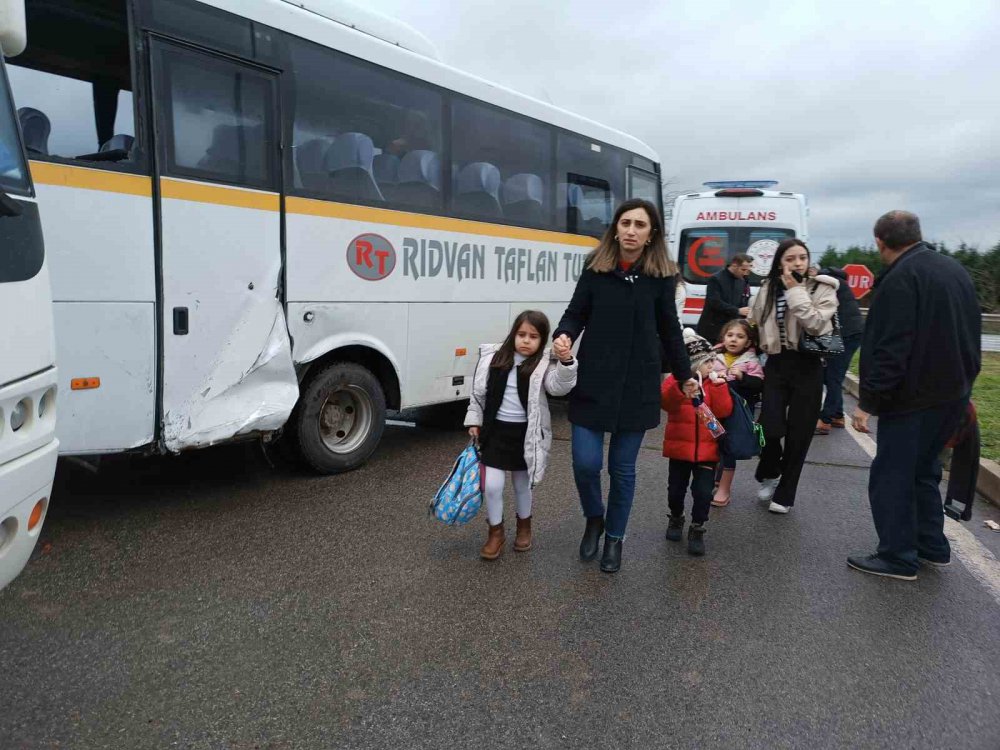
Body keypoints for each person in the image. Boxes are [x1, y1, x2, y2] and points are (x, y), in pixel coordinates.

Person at [553, 198, 698, 574]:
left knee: (621, 469)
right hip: (594, 382)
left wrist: (685, 375)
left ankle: (615, 538)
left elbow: (669, 330)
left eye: (640, 225)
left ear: (651, 235)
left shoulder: (661, 278)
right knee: (585, 464)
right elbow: (575, 312)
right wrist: (564, 335)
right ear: (615, 228)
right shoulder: (596, 269)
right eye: (626, 223)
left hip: (637, 386)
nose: (631, 230)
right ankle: (594, 519)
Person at [847, 211, 981, 580]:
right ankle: (932, 546)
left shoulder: (901, 279)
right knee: (924, 472)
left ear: (880, 241)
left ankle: (897, 556)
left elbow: (893, 347)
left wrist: (868, 403)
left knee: (892, 476)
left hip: (913, 399)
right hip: (952, 394)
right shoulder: (952, 270)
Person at [465, 310, 578, 560]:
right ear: (513, 334)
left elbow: (558, 387)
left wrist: (567, 362)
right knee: (492, 486)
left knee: (521, 486)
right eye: (521, 334)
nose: (526, 340)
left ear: (542, 340)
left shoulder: (543, 364)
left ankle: (524, 527)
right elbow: (478, 393)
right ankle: (495, 532)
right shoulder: (493, 358)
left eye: (534, 336)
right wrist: (474, 419)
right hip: (495, 433)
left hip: (525, 436)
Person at [748, 238, 839, 513]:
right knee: (768, 427)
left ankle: (785, 494)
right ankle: (770, 470)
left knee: (800, 434)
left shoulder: (824, 288)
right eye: (790, 258)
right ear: (779, 263)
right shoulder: (768, 287)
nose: (798, 262)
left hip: (808, 364)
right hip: (776, 362)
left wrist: (797, 291)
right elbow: (756, 320)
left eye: (802, 257)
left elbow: (815, 324)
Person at [661, 329, 733, 555]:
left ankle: (698, 526)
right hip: (679, 449)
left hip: (708, 451)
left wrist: (720, 387)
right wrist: (680, 386)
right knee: (675, 490)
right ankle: (676, 516)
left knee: (703, 492)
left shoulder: (714, 384)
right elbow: (666, 403)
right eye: (706, 361)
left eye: (713, 360)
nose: (712, 365)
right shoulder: (674, 380)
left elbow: (724, 410)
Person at [707, 319, 765, 507]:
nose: (734, 340)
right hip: (714, 410)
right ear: (723, 338)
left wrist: (742, 377)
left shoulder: (751, 361)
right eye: (730, 335)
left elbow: (758, 384)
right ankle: (709, 480)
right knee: (712, 444)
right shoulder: (713, 356)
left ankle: (724, 488)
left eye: (740, 336)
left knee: (729, 447)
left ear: (748, 342)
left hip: (737, 413)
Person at [813, 265, 865, 435]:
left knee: (833, 376)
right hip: (850, 333)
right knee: (832, 375)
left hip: (846, 335)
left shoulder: (831, 282)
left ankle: (825, 420)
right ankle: (837, 415)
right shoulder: (840, 284)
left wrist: (810, 277)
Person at [695, 254, 753, 344]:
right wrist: (737, 311)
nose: (745, 273)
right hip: (712, 329)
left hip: (730, 329)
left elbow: (743, 299)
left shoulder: (743, 280)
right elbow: (714, 302)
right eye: (743, 269)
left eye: (747, 270)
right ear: (734, 266)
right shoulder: (716, 279)